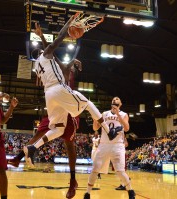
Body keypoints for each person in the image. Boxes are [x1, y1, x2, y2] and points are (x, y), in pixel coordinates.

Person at [25, 15, 122, 173]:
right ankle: (108, 130)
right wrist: (68, 24)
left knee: (59, 129)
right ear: (42, 52)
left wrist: (42, 36)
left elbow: (52, 52)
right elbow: (58, 39)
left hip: (49, 95)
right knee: (88, 104)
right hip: (58, 89)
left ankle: (33, 148)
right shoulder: (46, 54)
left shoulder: (38, 65)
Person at [7, 22, 82, 198]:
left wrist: (72, 61)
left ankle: (73, 180)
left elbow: (52, 54)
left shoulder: (60, 68)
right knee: (40, 133)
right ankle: (19, 157)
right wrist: (42, 38)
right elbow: (49, 52)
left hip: (68, 106)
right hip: (54, 104)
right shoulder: (48, 64)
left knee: (69, 143)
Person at [83, 97, 135, 199]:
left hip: (117, 145)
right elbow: (95, 127)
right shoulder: (104, 114)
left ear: (120, 104)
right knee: (95, 169)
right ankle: (87, 193)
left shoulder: (124, 114)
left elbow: (127, 128)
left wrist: (118, 114)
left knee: (120, 171)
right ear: (111, 103)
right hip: (104, 145)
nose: (115, 98)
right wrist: (94, 119)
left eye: (118, 99)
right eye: (114, 98)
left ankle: (131, 190)